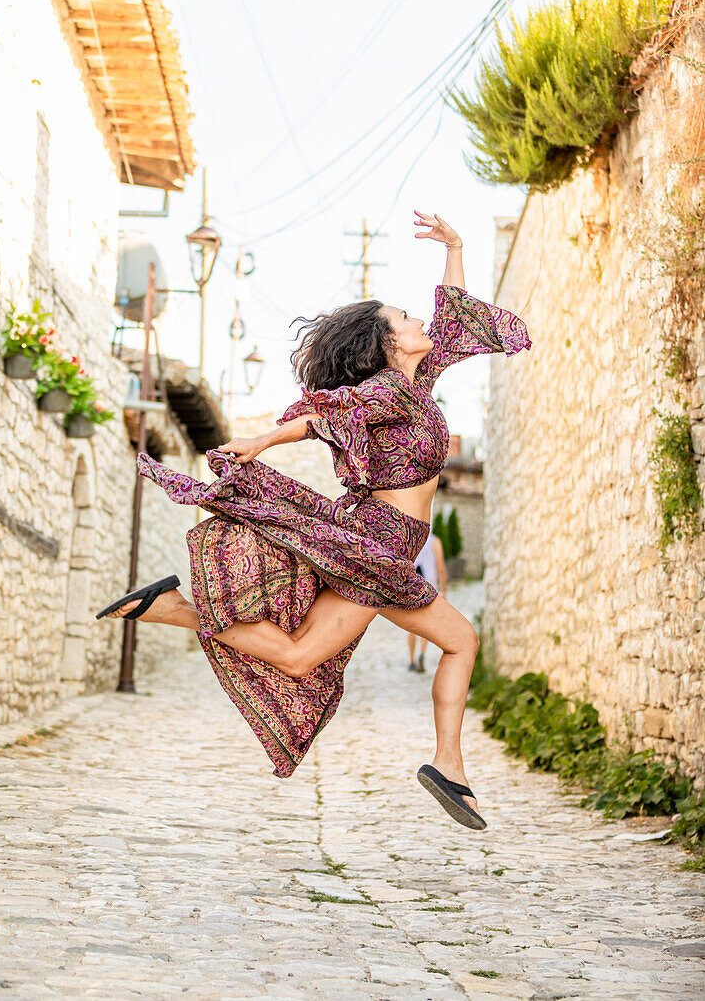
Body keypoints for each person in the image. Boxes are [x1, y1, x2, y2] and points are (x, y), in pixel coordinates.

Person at [97, 211, 531, 831]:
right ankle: (447, 765)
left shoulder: (417, 383)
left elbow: (454, 316)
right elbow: (322, 417)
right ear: (388, 343)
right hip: (376, 551)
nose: (419, 322)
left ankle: (450, 766)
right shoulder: (387, 391)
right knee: (363, 653)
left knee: (330, 654)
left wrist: (455, 247)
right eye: (405, 318)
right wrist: (259, 443)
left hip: (380, 548)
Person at [410, 531, 447, 673]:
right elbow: (441, 568)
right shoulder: (434, 542)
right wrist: (444, 590)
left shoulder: (413, 540)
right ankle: (421, 653)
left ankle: (411, 660)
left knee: (411, 625)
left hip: (412, 587)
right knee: (425, 626)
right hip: (428, 589)